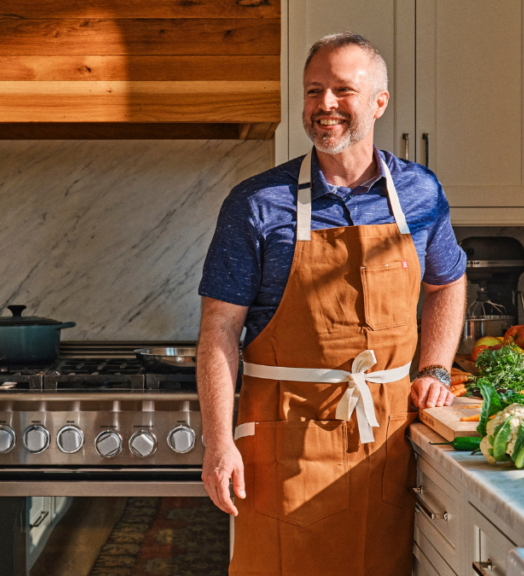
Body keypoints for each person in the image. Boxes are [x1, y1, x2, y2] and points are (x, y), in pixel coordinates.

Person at [196, 32, 467, 575]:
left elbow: (447, 282)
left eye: (343, 90)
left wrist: (436, 366)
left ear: (378, 103)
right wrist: (219, 442)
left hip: (385, 443)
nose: (325, 106)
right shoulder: (257, 202)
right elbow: (219, 329)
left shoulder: (419, 193)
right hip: (283, 443)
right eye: (314, 90)